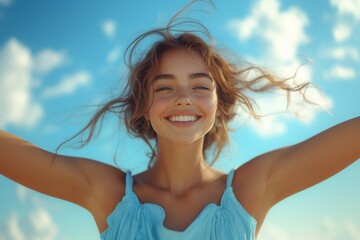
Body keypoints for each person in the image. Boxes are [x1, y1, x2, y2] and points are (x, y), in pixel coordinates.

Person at [0, 1, 359, 239]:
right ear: (142, 105)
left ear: (219, 103)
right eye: (165, 87)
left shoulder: (250, 188)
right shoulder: (108, 193)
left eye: (200, 86)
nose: (184, 98)